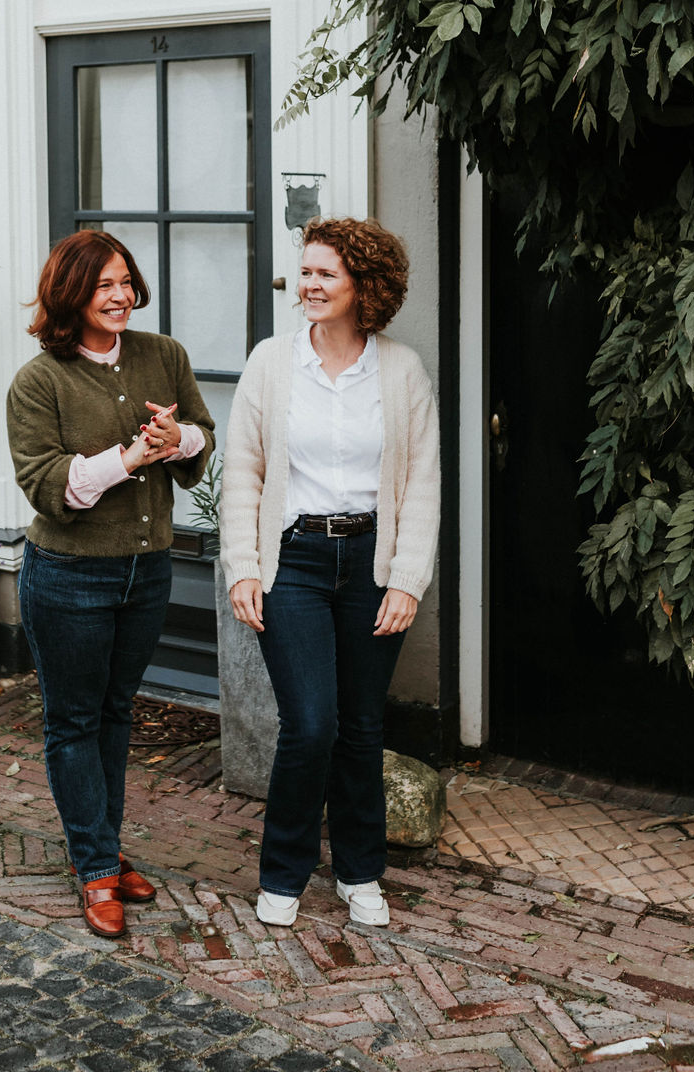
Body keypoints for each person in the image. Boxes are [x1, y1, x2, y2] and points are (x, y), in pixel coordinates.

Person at [219, 215, 439, 928]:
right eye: (305, 272)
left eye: (325, 274)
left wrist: (407, 579)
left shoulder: (401, 371)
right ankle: (283, 873)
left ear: (363, 287)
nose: (308, 285)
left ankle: (359, 871)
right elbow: (244, 473)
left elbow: (424, 482)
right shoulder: (270, 364)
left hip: (372, 562)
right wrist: (243, 568)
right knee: (310, 723)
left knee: (360, 726)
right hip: (297, 562)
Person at [6, 229, 214, 939]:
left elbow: (200, 443)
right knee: (74, 721)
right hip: (68, 575)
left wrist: (176, 439)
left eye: (126, 280)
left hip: (147, 569)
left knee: (118, 713)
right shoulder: (41, 381)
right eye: (104, 286)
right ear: (72, 295)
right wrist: (131, 455)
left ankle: (104, 845)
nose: (121, 295)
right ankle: (96, 869)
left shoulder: (165, 356)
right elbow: (49, 487)